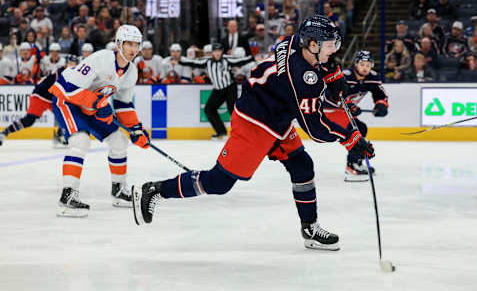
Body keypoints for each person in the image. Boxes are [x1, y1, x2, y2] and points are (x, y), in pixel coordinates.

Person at [131, 15, 375, 251]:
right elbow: (316, 128)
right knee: (219, 182)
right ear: (312, 45)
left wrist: (330, 72)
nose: (335, 49)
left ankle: (309, 228)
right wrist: (350, 139)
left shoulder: (293, 43)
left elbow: (314, 70)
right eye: (330, 45)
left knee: (302, 165)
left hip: (275, 116)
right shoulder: (303, 79)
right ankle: (155, 190)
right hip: (254, 122)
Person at [48, 25, 150, 217]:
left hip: (92, 106)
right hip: (67, 100)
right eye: (129, 44)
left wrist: (136, 130)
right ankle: (68, 195)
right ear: (119, 44)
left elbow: (123, 105)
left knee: (120, 140)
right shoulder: (102, 58)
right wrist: (97, 104)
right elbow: (70, 88)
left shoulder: (132, 72)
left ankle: (119, 191)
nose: (133, 49)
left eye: (136, 45)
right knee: (80, 141)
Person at [324, 51, 388, 181]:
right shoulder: (345, 76)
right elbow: (329, 95)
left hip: (345, 112)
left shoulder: (372, 78)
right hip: (329, 110)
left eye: (368, 65)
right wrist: (348, 105)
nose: (365, 68)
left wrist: (381, 105)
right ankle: (353, 165)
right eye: (362, 64)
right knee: (357, 131)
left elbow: (380, 94)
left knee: (360, 129)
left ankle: (354, 163)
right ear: (356, 64)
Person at [177, 43, 254, 139]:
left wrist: (253, 57)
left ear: (222, 52)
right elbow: (193, 62)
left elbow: (240, 61)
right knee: (209, 109)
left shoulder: (227, 59)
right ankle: (221, 132)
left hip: (230, 88)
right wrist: (179, 60)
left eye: (219, 51)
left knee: (233, 110)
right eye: (215, 51)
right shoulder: (207, 61)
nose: (217, 53)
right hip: (218, 90)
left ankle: (244, 132)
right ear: (212, 52)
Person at [0, 54, 79, 146]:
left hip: (50, 98)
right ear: (66, 64)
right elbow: (60, 89)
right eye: (70, 63)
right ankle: (4, 133)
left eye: (74, 64)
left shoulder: (71, 74)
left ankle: (60, 136)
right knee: (29, 120)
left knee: (66, 115)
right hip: (40, 96)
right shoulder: (62, 72)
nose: (72, 66)